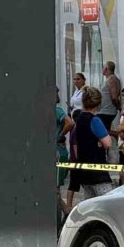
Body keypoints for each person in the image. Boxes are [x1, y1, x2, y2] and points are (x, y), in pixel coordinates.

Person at [66, 87, 114, 210]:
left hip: (84, 171)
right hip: (98, 173)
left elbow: (76, 142)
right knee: (108, 206)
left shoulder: (79, 119)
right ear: (98, 102)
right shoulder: (95, 120)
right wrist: (99, 142)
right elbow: (108, 143)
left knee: (89, 207)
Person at [55, 87, 74, 218]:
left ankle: (68, 213)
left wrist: (59, 136)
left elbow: (70, 123)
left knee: (54, 190)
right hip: (57, 153)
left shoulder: (56, 110)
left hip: (58, 153)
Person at [98, 61, 122, 131]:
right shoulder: (109, 79)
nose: (102, 69)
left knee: (103, 132)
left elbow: (114, 97)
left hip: (107, 111)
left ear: (106, 69)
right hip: (104, 111)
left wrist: (119, 108)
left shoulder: (112, 79)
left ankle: (117, 136)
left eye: (103, 67)